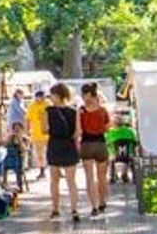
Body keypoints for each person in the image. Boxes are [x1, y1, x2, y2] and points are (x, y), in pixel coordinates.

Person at [45, 82, 81, 221]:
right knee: (71, 181)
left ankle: (55, 209)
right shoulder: (73, 111)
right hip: (69, 145)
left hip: (54, 144)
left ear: (57, 95)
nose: (50, 98)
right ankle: (74, 209)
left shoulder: (48, 111)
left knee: (54, 180)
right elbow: (77, 132)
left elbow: (44, 129)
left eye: (52, 95)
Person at [78, 83, 110, 215]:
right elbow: (108, 128)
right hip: (101, 143)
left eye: (83, 94)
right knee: (102, 176)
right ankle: (102, 201)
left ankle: (94, 206)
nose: (82, 97)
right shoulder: (103, 110)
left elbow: (79, 130)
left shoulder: (81, 111)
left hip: (86, 144)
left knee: (89, 177)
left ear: (88, 95)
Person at [105, 110, 138, 183]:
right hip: (128, 154)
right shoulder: (130, 131)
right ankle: (125, 174)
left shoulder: (110, 132)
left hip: (115, 155)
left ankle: (113, 175)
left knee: (109, 156)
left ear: (113, 123)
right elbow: (135, 142)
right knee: (128, 157)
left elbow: (107, 143)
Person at [25, 90, 49, 180]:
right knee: (39, 154)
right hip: (37, 133)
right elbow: (27, 119)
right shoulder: (32, 106)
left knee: (52, 152)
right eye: (39, 97)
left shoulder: (47, 105)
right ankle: (42, 171)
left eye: (42, 97)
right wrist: (27, 131)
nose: (41, 99)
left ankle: (58, 170)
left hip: (48, 133)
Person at [1, 121, 29, 191]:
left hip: (20, 159)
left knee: (18, 168)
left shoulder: (25, 139)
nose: (17, 131)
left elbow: (24, 150)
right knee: (3, 166)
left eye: (18, 129)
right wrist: (9, 139)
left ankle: (19, 185)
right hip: (10, 159)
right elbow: (4, 147)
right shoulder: (11, 138)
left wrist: (20, 141)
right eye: (15, 129)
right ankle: (4, 184)